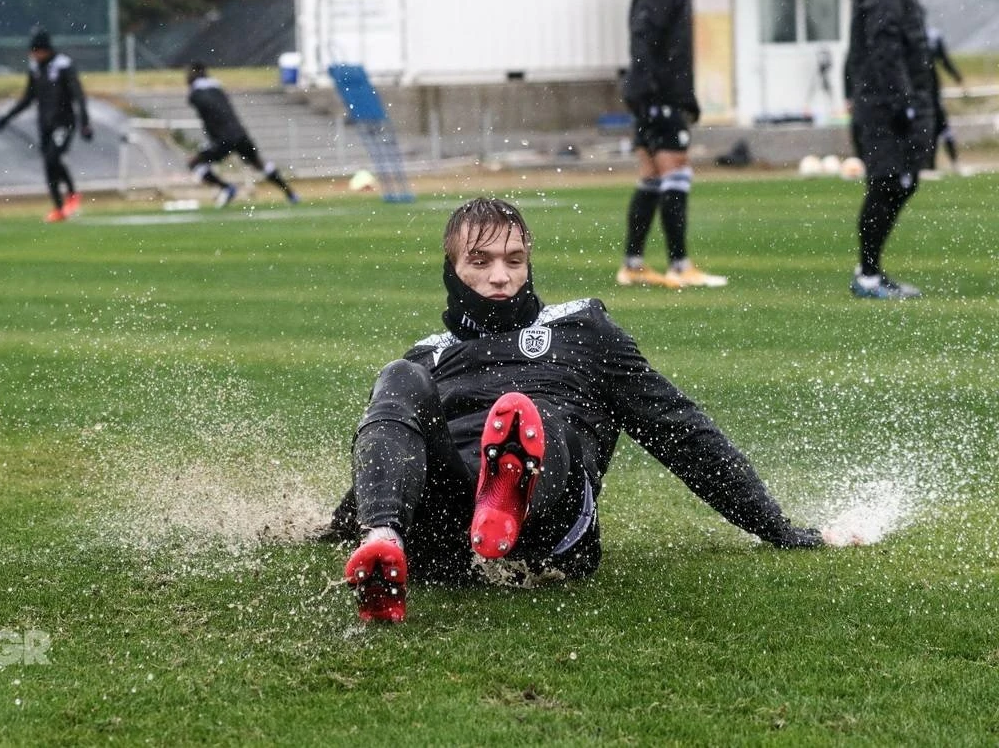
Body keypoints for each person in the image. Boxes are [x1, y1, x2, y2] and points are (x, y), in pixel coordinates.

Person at [325, 198, 823, 623]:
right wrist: (345, 523)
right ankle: (385, 540)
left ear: (528, 264)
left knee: (534, 415)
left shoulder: (582, 329)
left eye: (514, 260)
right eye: (480, 262)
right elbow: (389, 447)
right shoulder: (428, 354)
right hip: (449, 538)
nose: (500, 277)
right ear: (451, 270)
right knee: (398, 377)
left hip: (550, 529)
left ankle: (509, 493)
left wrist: (772, 524)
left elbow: (677, 429)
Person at [616, 0, 726, 290]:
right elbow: (644, 37)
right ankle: (680, 265)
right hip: (658, 94)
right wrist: (653, 92)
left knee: (650, 177)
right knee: (676, 170)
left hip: (655, 93)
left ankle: (633, 265)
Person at [843, 0, 933, 299]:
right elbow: (883, 43)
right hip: (883, 102)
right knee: (888, 182)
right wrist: (902, 101)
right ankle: (867, 275)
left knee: (900, 182)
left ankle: (870, 271)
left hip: (884, 97)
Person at [0, 27, 93, 223]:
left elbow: (78, 95)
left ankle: (72, 194)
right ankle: (59, 209)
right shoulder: (35, 68)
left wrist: (85, 122)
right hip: (44, 124)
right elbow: (28, 97)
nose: (34, 55)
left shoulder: (64, 65)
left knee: (53, 158)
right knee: (48, 166)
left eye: (36, 50)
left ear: (45, 49)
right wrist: (7, 117)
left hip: (64, 122)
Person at [185, 62, 299, 208]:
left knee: (194, 163)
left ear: (193, 74)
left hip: (222, 139)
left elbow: (200, 102)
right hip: (239, 134)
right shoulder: (217, 88)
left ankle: (226, 188)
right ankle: (291, 194)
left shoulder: (196, 94)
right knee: (259, 164)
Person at [927, 26, 964, 174]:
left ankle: (951, 164)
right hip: (916, 92)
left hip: (930, 91)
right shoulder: (907, 34)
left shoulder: (930, 36)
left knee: (939, 126)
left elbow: (944, 59)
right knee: (929, 128)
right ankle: (928, 166)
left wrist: (956, 76)